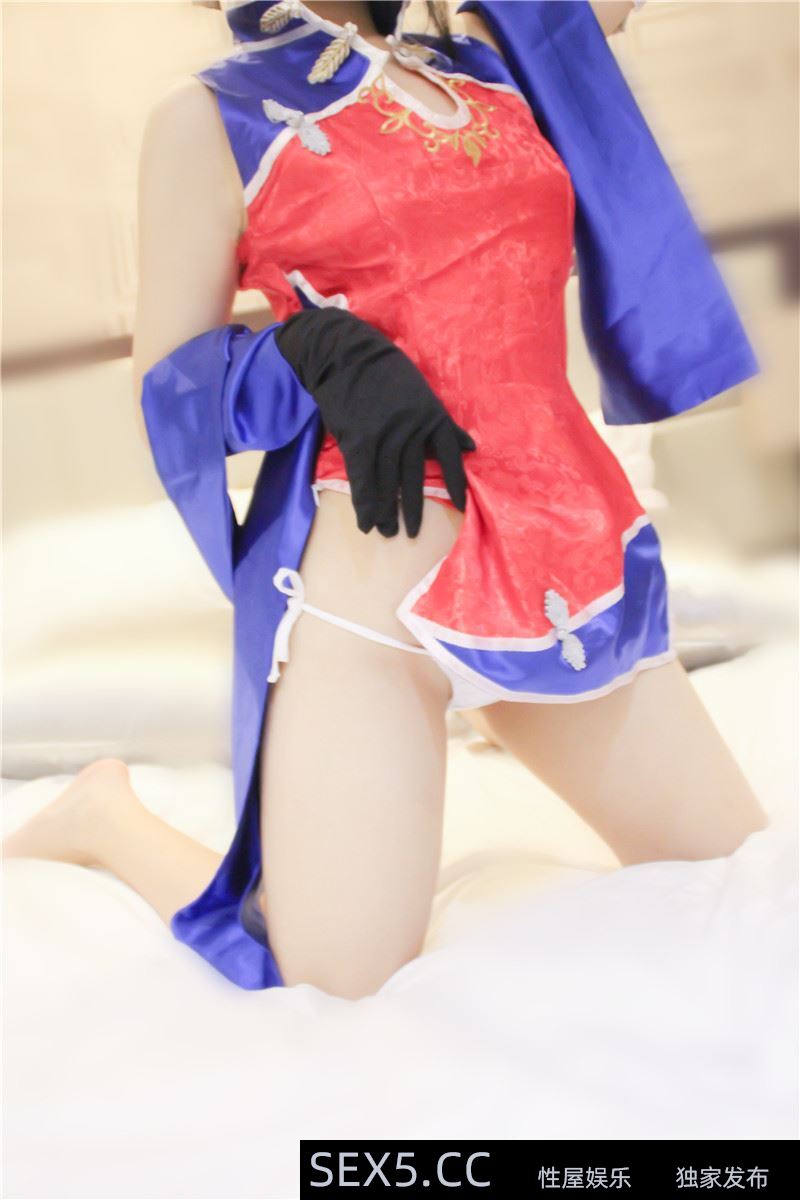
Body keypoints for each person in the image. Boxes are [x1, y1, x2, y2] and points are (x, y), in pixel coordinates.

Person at [4, 0, 768, 1000]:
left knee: (739, 874)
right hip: (374, 592)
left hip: (559, 552)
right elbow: (171, 387)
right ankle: (106, 817)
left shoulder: (495, 57)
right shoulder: (213, 116)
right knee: (337, 983)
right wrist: (307, 351)